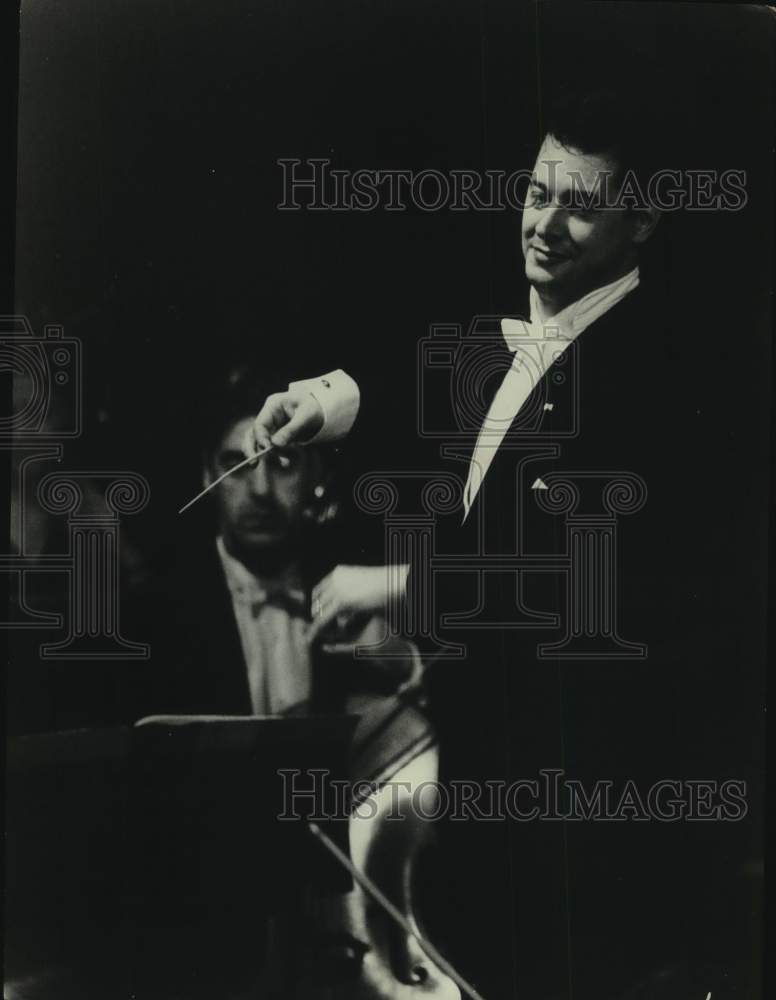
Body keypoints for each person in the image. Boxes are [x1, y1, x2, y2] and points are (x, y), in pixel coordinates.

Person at [242, 92, 754, 998]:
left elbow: (583, 578)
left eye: (580, 205)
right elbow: (412, 378)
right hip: (486, 802)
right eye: (536, 192)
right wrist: (317, 402)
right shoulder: (506, 330)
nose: (544, 225)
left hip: (588, 823)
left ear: (643, 221)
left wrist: (395, 585)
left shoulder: (671, 375)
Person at [127, 364, 461, 999]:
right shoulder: (153, 617)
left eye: (282, 466)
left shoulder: (357, 589)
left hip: (343, 919)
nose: (257, 489)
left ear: (316, 480)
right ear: (207, 478)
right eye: (237, 466)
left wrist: (396, 654)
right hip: (208, 922)